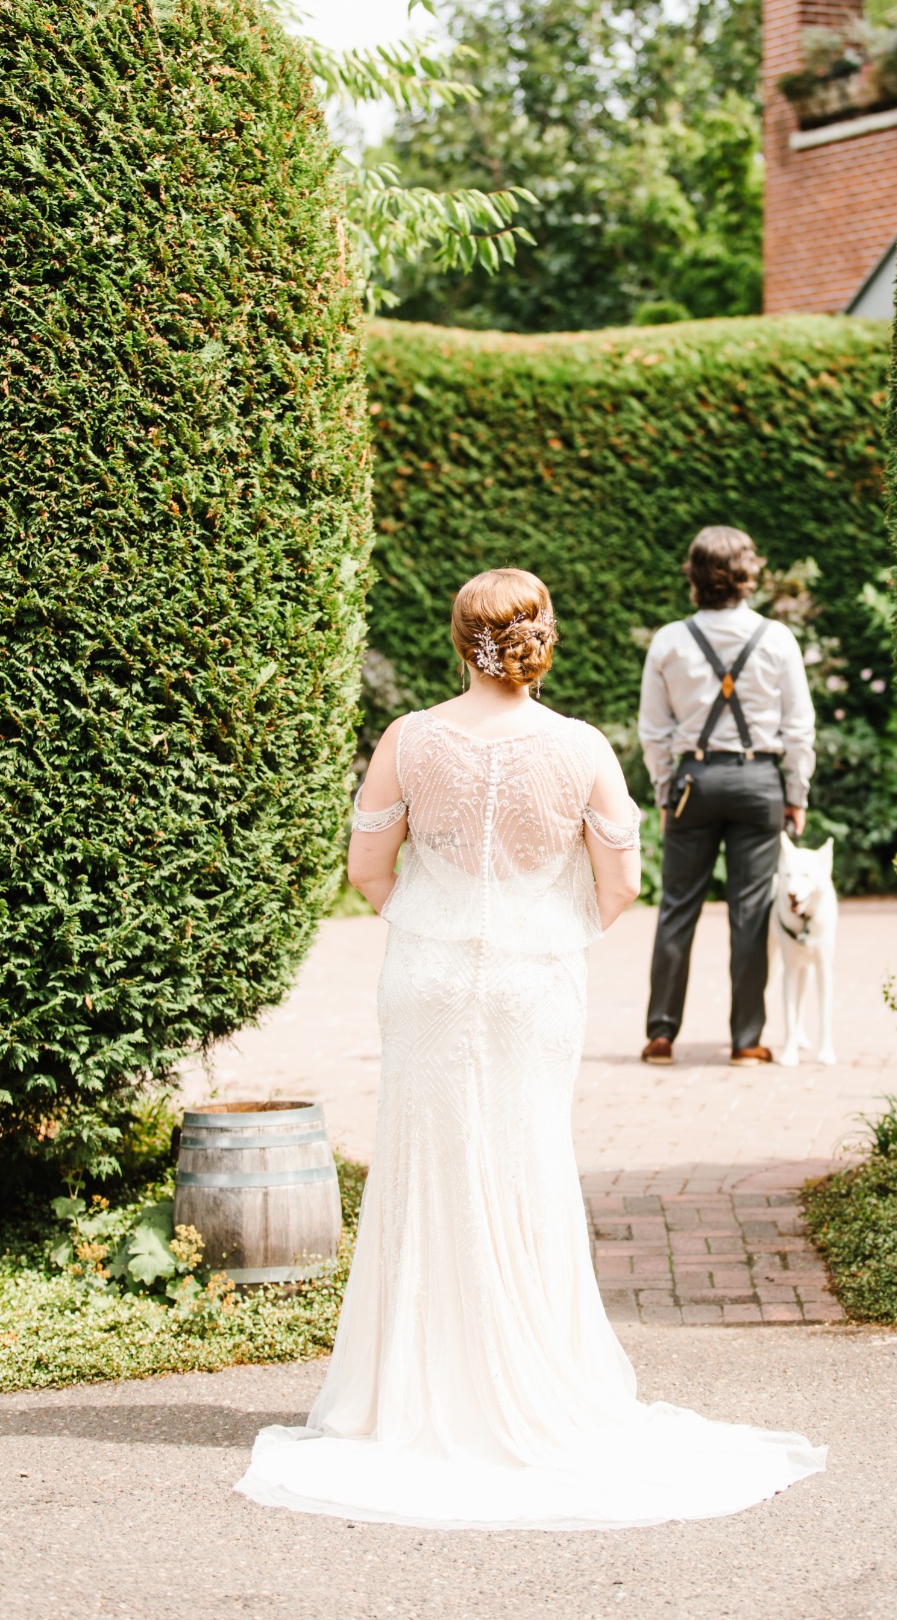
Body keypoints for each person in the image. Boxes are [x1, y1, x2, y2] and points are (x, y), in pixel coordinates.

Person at [235, 567, 825, 1529]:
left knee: (427, 1164)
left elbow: (366, 870)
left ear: (459, 638)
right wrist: (545, 935)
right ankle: (530, 1377)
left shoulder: (407, 739)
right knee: (524, 1161)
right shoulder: (580, 747)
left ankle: (411, 1394)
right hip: (532, 984)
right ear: (541, 637)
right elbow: (621, 884)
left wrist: (431, 919)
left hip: (425, 977)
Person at [638, 527, 816, 1065]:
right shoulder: (778, 638)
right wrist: (796, 792)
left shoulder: (669, 640)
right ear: (747, 575)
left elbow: (653, 731)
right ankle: (746, 1041)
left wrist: (668, 792)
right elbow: (800, 728)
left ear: (693, 576)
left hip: (694, 784)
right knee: (751, 912)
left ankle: (662, 1034)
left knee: (677, 908)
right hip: (758, 781)